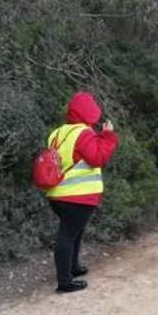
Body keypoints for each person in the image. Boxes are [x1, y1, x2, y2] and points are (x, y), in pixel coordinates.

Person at [46, 92, 119, 293]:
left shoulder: (57, 133)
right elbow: (97, 158)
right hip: (78, 196)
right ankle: (64, 281)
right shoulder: (83, 133)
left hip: (56, 194)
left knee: (72, 232)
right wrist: (108, 137)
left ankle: (73, 268)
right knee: (68, 235)